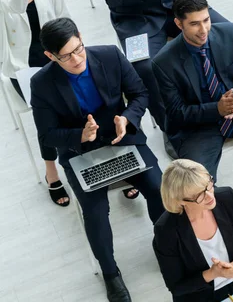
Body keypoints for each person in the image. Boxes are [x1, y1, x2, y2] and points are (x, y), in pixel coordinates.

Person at [30, 18, 164, 302]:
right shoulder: (41, 83)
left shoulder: (109, 55)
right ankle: (111, 273)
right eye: (66, 56)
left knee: (157, 186)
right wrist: (80, 135)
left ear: (81, 37)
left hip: (121, 137)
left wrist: (127, 119)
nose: (77, 59)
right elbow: (47, 134)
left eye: (79, 49)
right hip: (81, 151)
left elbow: (140, 94)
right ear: (50, 57)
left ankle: (167, 244)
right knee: (95, 212)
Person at [84, 0, 228, 158]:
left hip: (179, 0)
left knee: (225, 33)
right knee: (144, 68)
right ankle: (172, 130)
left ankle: (229, 106)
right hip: (136, 16)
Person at [153, 0, 233, 180]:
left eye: (206, 20)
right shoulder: (163, 62)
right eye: (194, 24)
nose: (204, 29)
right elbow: (177, 112)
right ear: (178, 24)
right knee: (196, 181)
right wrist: (218, 109)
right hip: (199, 126)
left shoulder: (230, 32)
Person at [0, 0, 74, 206]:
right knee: (49, 111)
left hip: (56, 54)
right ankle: (52, 169)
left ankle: (96, 156)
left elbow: (65, 17)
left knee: (86, 95)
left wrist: (77, 51)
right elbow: (14, 6)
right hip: (23, 66)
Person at [153, 159, 233, 302]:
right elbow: (177, 287)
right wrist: (213, 273)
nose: (210, 196)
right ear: (180, 201)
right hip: (203, 294)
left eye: (208, 185)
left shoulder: (226, 197)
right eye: (199, 195)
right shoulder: (166, 230)